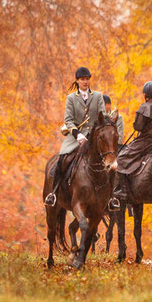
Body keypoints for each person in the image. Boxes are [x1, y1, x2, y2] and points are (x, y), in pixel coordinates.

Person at [44, 67, 105, 206]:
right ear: (77, 81)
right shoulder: (71, 98)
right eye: (82, 79)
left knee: (110, 161)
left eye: (87, 79)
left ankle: (112, 197)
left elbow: (103, 117)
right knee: (62, 158)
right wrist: (78, 135)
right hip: (75, 137)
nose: (85, 82)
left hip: (94, 138)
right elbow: (68, 120)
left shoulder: (98, 96)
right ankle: (54, 193)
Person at [112, 81, 152, 206]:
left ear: (145, 94)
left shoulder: (144, 107)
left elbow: (138, 127)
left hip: (146, 142)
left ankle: (123, 190)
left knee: (121, 158)